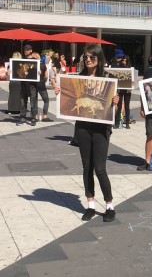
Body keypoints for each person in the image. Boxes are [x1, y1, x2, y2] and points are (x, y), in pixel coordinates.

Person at [54, 43, 119, 222]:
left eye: (92, 57)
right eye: (86, 57)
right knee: (87, 168)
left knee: (100, 169)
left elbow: (112, 107)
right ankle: (90, 205)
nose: (88, 60)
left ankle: (109, 206)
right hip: (82, 127)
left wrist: (115, 101)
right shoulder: (78, 78)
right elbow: (68, 98)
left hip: (101, 129)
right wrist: (59, 92)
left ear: (99, 59)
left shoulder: (106, 79)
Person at [17, 44, 38, 126]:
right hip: (23, 84)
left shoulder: (35, 60)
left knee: (33, 102)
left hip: (32, 85)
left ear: (31, 51)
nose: (26, 50)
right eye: (25, 49)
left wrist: (39, 72)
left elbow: (40, 70)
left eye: (28, 49)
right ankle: (23, 117)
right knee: (23, 101)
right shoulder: (21, 61)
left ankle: (33, 118)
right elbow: (18, 72)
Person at [111, 49, 132, 129]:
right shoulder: (114, 64)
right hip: (119, 88)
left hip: (127, 89)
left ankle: (127, 123)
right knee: (119, 106)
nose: (121, 59)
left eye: (122, 58)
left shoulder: (127, 65)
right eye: (119, 58)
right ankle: (116, 123)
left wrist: (125, 65)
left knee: (127, 106)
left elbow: (130, 73)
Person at [32, 52, 53, 122]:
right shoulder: (43, 65)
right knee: (46, 100)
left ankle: (35, 116)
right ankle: (45, 116)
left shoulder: (31, 65)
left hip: (33, 85)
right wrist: (44, 80)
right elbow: (46, 76)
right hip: (41, 84)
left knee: (34, 101)